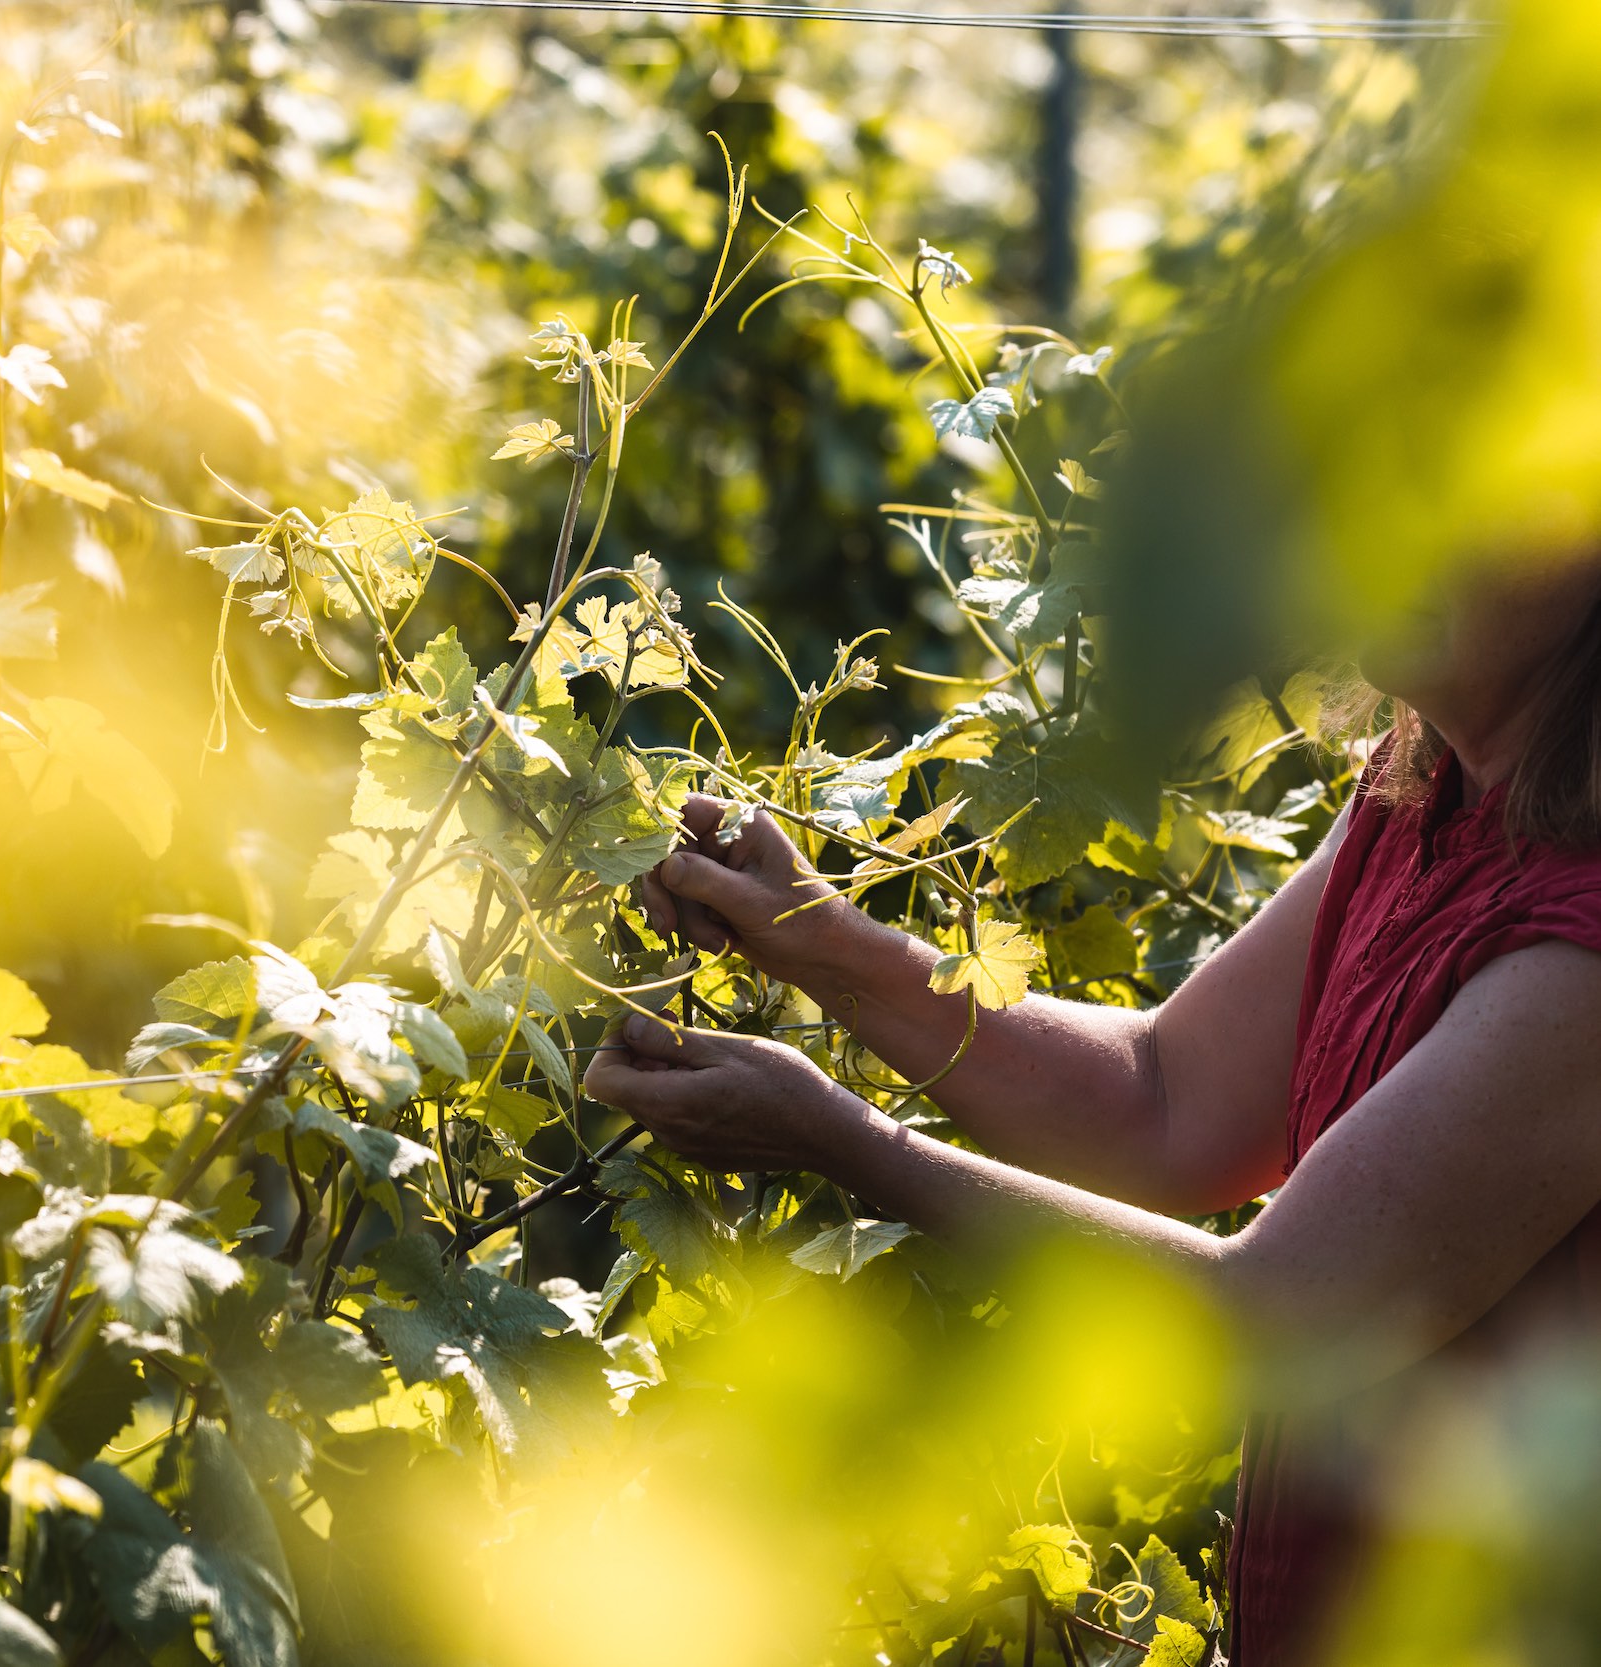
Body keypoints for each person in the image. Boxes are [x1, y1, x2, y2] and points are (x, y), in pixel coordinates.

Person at [581, 552, 1601, 1665]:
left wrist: (842, 1135)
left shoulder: (1582, 948)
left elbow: (1274, 1320)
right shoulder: (1427, 791)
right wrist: (824, 940)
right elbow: (1165, 1100)